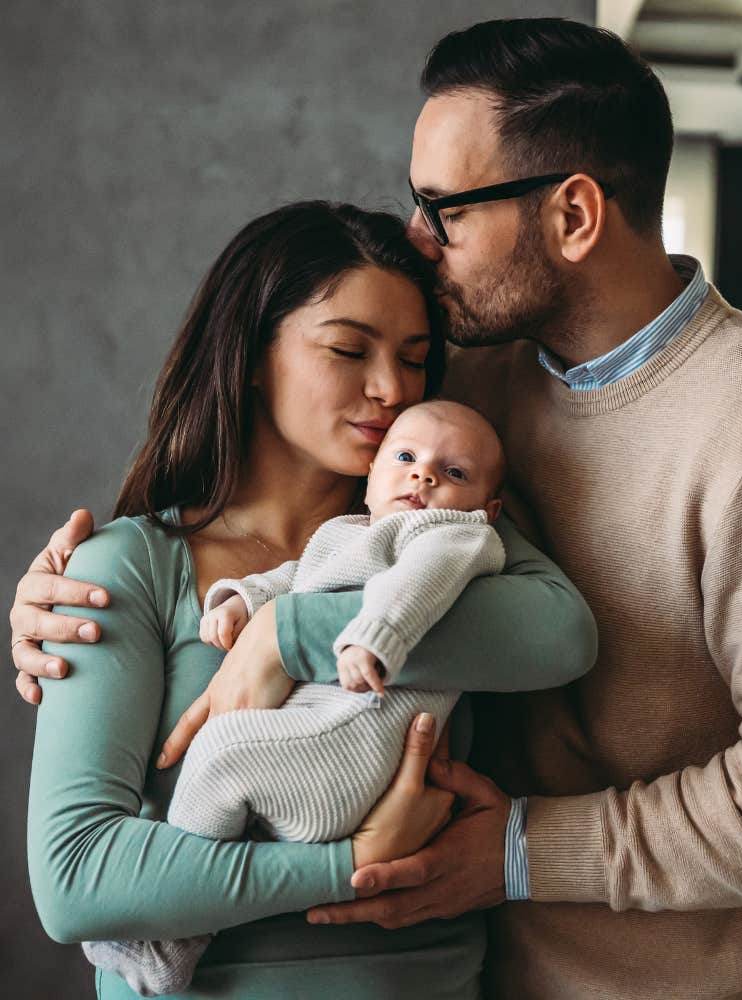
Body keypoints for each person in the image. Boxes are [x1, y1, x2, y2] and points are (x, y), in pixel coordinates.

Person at [15, 16, 742, 1000]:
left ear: (575, 216)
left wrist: (516, 848)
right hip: (466, 967)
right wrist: (65, 598)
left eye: (444, 209)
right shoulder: (459, 386)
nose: (417, 240)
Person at [21, 199, 597, 1000]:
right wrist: (349, 864)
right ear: (253, 354)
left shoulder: (430, 525)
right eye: (347, 349)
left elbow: (561, 635)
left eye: (415, 357)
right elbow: (78, 881)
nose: (391, 387)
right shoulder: (130, 566)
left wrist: (287, 634)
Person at [84, 399, 516, 997]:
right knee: (227, 764)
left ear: (489, 510)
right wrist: (241, 600)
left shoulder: (455, 538)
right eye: (407, 458)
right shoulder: (344, 534)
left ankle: (168, 943)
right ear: (372, 477)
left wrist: (374, 640)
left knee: (225, 752)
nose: (424, 477)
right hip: (315, 749)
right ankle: (176, 925)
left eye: (455, 474)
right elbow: (293, 582)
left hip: (362, 746)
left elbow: (416, 588)